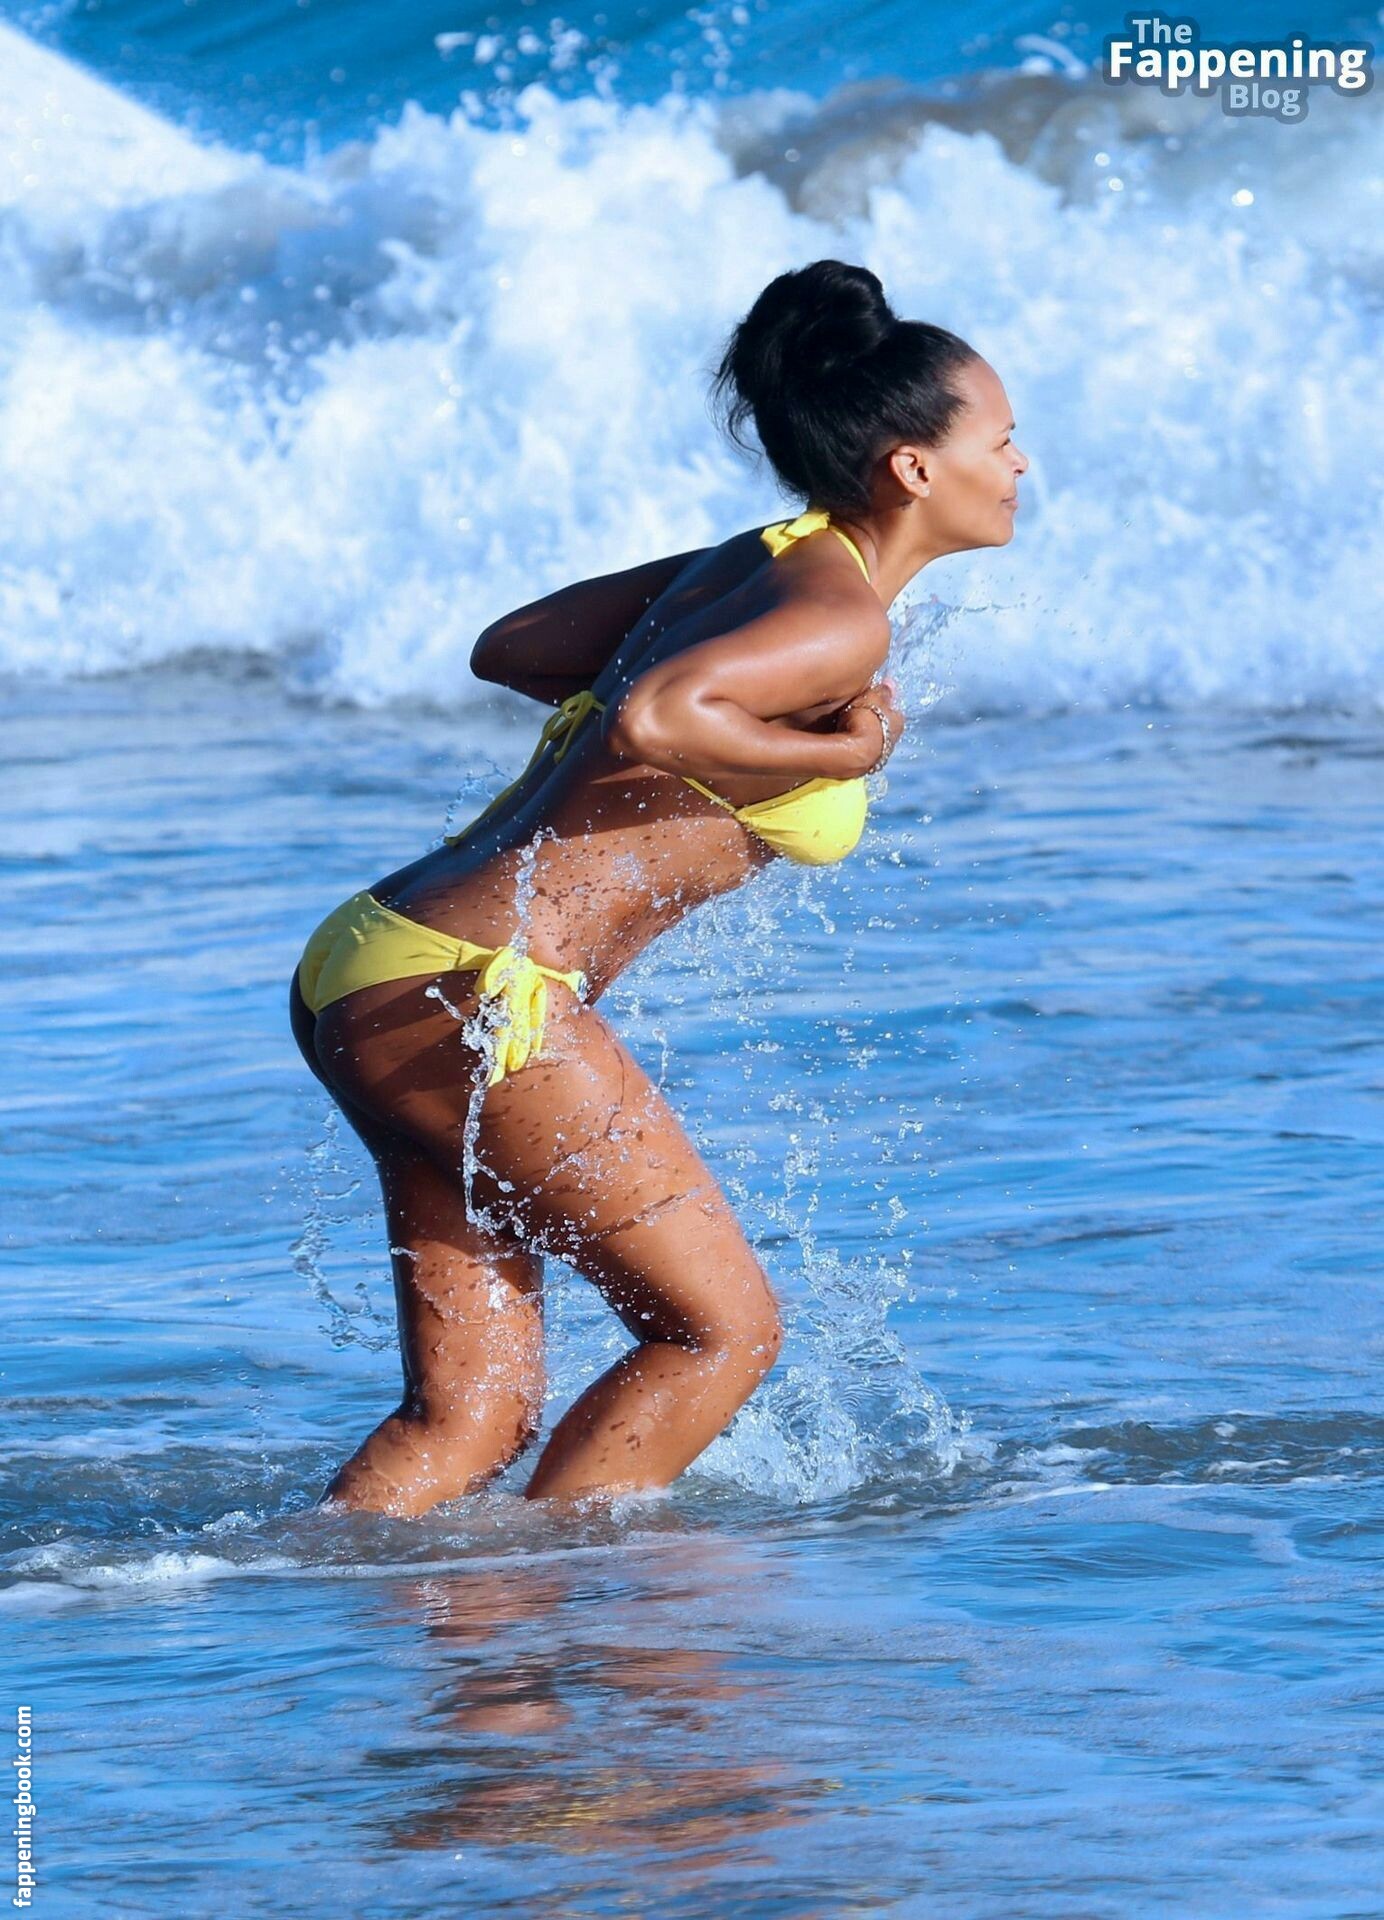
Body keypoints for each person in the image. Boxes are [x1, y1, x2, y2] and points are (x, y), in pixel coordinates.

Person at [289, 258, 1028, 1516]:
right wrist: (844, 752)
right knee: (717, 1335)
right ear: (913, 467)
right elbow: (654, 716)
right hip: (480, 993)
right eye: (1000, 440)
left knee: (470, 1416)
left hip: (377, 961)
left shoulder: (757, 566)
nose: (1017, 465)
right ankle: (579, 1605)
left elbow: (512, 649)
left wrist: (695, 651)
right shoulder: (838, 617)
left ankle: (325, 1607)